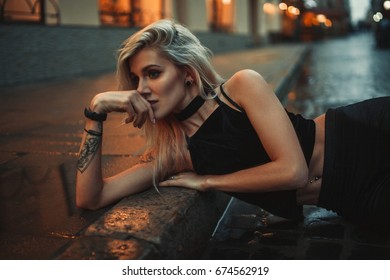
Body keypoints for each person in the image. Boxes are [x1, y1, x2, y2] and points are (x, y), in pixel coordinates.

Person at [76, 19, 390, 229]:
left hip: (368, 134)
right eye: (136, 79)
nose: (141, 88)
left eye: (153, 73)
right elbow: (91, 198)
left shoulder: (241, 87)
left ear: (187, 73)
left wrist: (208, 182)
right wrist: (96, 110)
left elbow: (294, 171)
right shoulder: (177, 153)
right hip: (352, 197)